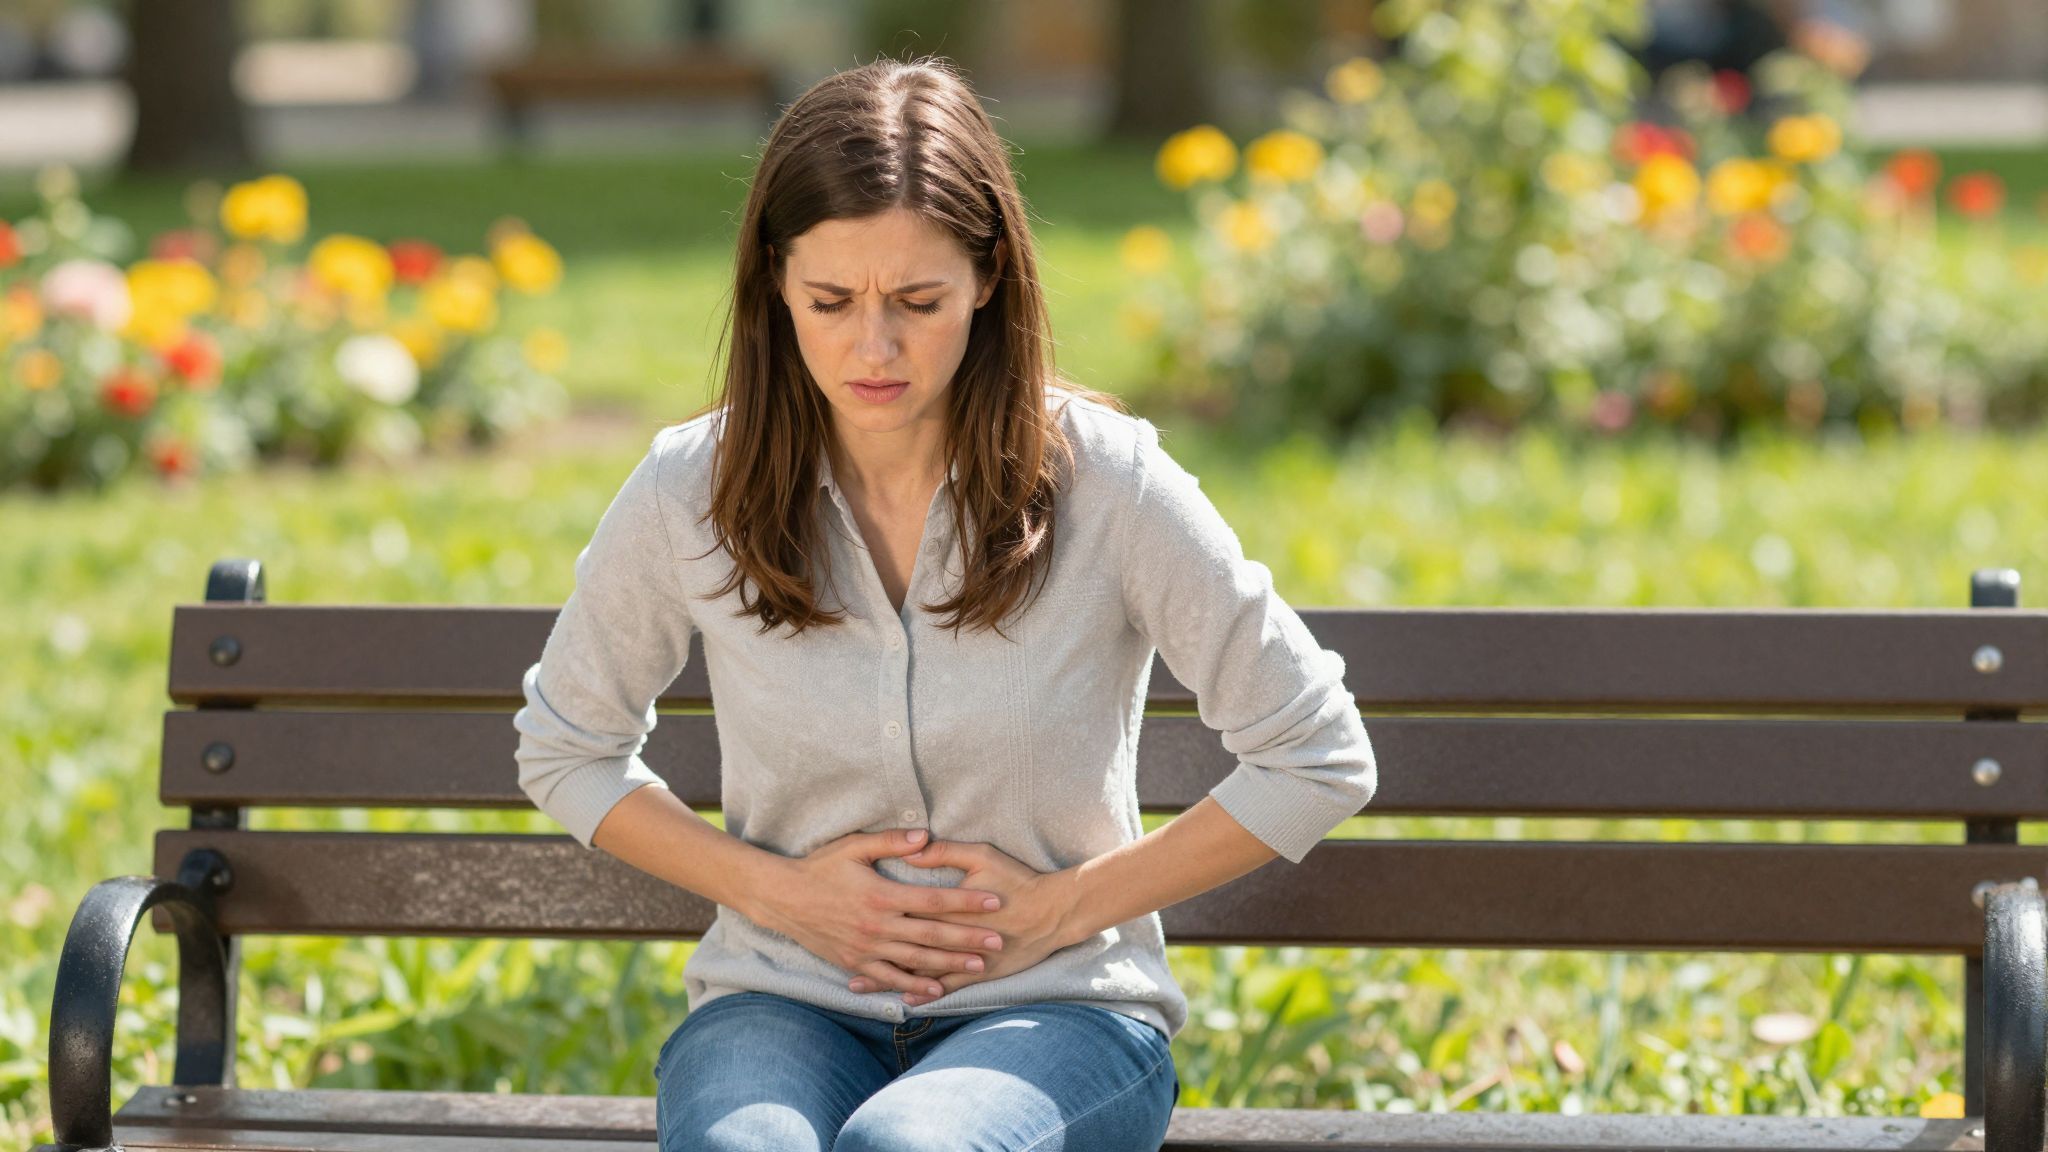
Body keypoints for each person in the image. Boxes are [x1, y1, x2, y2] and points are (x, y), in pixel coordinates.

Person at [512, 53, 1379, 1152]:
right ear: (773, 286)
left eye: (916, 301)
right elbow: (565, 748)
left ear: (987, 281)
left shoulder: (1108, 481)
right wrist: (779, 896)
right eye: (830, 301)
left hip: (1057, 1016)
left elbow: (1318, 755)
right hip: (779, 1003)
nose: (872, 347)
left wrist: (1060, 911)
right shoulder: (691, 487)